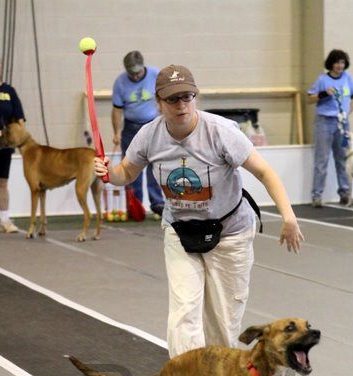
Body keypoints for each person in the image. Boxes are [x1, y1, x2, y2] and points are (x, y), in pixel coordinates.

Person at [96, 64, 304, 357]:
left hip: (230, 233)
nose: (181, 105)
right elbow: (126, 173)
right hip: (180, 231)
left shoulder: (220, 132)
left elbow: (265, 172)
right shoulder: (148, 136)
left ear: (196, 97)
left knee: (222, 325)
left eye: (187, 97)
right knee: (184, 314)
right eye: (172, 99)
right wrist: (107, 173)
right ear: (158, 102)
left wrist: (289, 217)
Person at [112, 50, 164, 217]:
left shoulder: (156, 75)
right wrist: (116, 132)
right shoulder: (120, 83)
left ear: (143, 67)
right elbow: (116, 110)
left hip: (153, 125)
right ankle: (134, 206)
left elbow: (166, 99)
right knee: (130, 166)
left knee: (155, 165)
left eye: (138, 72)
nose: (135, 77)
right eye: (131, 73)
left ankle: (158, 204)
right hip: (130, 128)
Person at [307, 49, 353, 208]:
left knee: (343, 158)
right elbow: (309, 98)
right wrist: (323, 94)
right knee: (322, 159)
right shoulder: (322, 80)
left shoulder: (348, 78)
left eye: (342, 62)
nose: (339, 65)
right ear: (331, 64)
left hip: (342, 122)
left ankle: (345, 193)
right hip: (324, 121)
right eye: (337, 62)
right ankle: (317, 195)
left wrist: (347, 112)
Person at [0, 50, 25, 232]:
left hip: (4, 145)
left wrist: (20, 137)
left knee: (2, 182)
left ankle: (5, 220)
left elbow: (19, 118)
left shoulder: (9, 91)